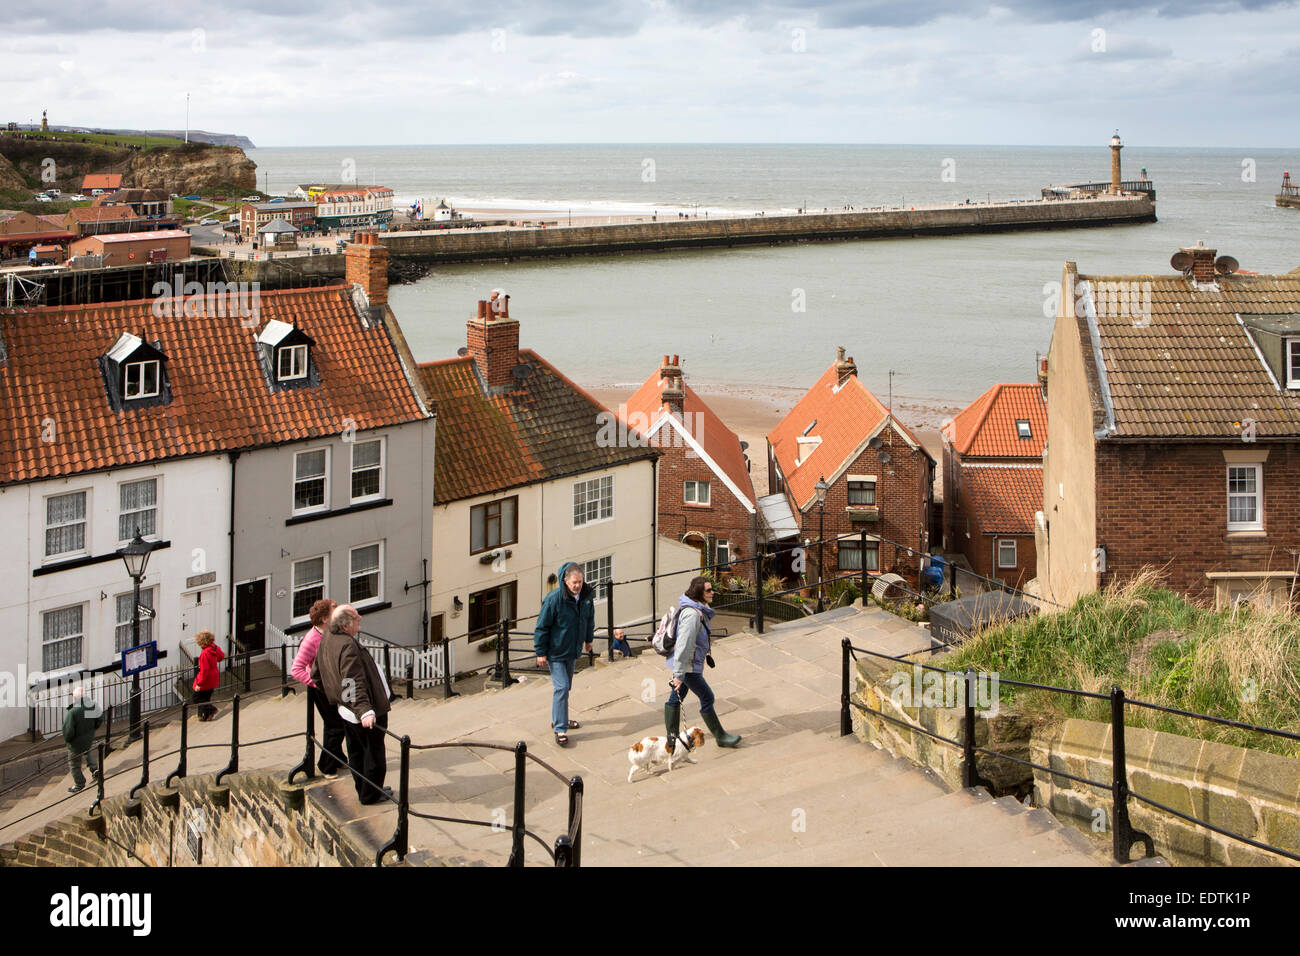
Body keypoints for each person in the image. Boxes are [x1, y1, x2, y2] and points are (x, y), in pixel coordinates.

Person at [313, 605, 392, 804]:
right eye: (357, 617)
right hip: (362, 711)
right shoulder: (347, 645)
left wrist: (336, 696)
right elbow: (351, 681)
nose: (361, 618)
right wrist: (364, 711)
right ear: (346, 625)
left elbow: (316, 674)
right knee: (373, 755)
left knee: (356, 752)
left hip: (346, 710)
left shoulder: (328, 639)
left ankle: (366, 789)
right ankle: (371, 794)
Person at [665, 576, 740, 753]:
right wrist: (679, 675)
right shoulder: (692, 615)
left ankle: (672, 740)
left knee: (675, 698)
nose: (712, 592)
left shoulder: (698, 609)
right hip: (688, 667)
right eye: (708, 590)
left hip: (689, 665)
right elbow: (684, 645)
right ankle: (721, 736)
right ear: (699, 592)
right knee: (707, 697)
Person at [533, 562, 594, 746]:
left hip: (572, 650)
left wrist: (588, 640)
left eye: (580, 582)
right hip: (555, 652)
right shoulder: (554, 600)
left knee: (565, 688)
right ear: (565, 581)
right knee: (561, 687)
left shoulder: (586, 597)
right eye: (574, 582)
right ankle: (560, 728)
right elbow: (542, 627)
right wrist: (540, 652)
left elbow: (589, 619)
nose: (578, 586)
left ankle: (559, 718)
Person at [290, 598, 345, 776]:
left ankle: (337, 757)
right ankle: (326, 765)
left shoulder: (331, 631)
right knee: (336, 725)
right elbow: (296, 669)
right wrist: (317, 683)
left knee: (339, 723)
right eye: (333, 612)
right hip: (321, 689)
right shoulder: (311, 639)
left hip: (333, 685)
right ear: (324, 619)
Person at [62, 685, 100, 793]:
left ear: (75, 698)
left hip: (76, 742)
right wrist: (92, 730)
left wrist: (68, 740)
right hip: (88, 737)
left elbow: (68, 731)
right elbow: (99, 719)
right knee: (87, 752)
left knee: (74, 763)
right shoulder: (92, 706)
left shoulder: (73, 712)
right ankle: (95, 769)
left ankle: (79, 783)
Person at [192, 630, 224, 720]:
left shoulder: (204, 653)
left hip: (206, 679)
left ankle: (212, 710)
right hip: (214, 677)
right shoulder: (214, 648)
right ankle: (206, 716)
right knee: (206, 697)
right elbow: (221, 656)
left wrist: (199, 683)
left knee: (196, 698)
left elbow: (204, 670)